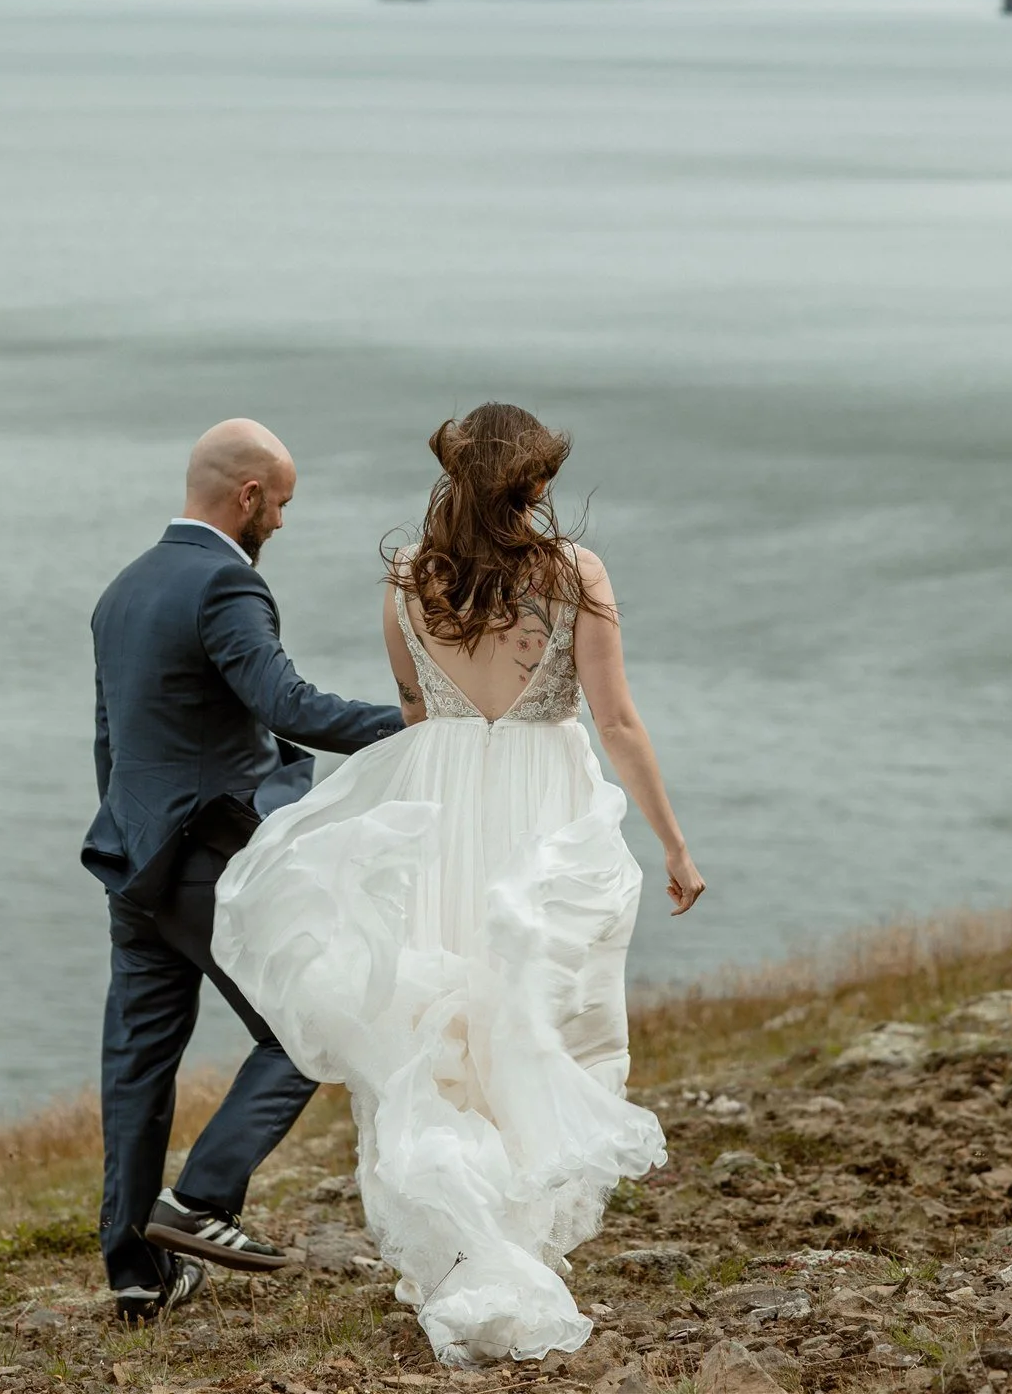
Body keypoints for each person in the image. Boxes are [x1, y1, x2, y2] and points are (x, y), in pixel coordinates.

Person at [212, 402, 704, 1367]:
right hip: (539, 794)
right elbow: (616, 721)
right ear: (532, 483)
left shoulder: (407, 580)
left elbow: (408, 704)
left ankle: (463, 1242)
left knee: (441, 1025)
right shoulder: (574, 575)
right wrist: (674, 846)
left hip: (441, 799)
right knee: (536, 1013)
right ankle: (514, 1240)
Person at [82, 419, 401, 1323]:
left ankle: (137, 1271)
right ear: (249, 495)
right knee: (309, 1026)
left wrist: (132, 840)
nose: (284, 525)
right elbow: (284, 702)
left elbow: (111, 740)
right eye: (284, 504)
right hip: (205, 863)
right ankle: (203, 1199)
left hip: (132, 860)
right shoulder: (226, 581)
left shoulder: (123, 589)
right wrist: (418, 724)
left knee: (137, 1066)